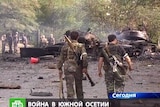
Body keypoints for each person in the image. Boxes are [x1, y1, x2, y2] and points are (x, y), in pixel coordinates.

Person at [98, 34, 133, 107]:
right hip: (119, 71)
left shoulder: (104, 49)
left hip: (108, 71)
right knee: (119, 86)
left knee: (109, 87)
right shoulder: (119, 47)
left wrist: (99, 71)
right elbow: (127, 58)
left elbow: (100, 61)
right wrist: (130, 66)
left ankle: (112, 103)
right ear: (115, 39)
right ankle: (117, 102)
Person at [57, 31, 88, 100]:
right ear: (78, 37)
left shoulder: (65, 46)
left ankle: (71, 101)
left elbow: (61, 58)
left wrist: (59, 68)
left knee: (69, 85)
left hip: (68, 67)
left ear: (70, 37)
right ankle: (80, 101)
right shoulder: (81, 46)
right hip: (78, 67)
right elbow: (84, 57)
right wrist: (85, 67)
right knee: (79, 85)